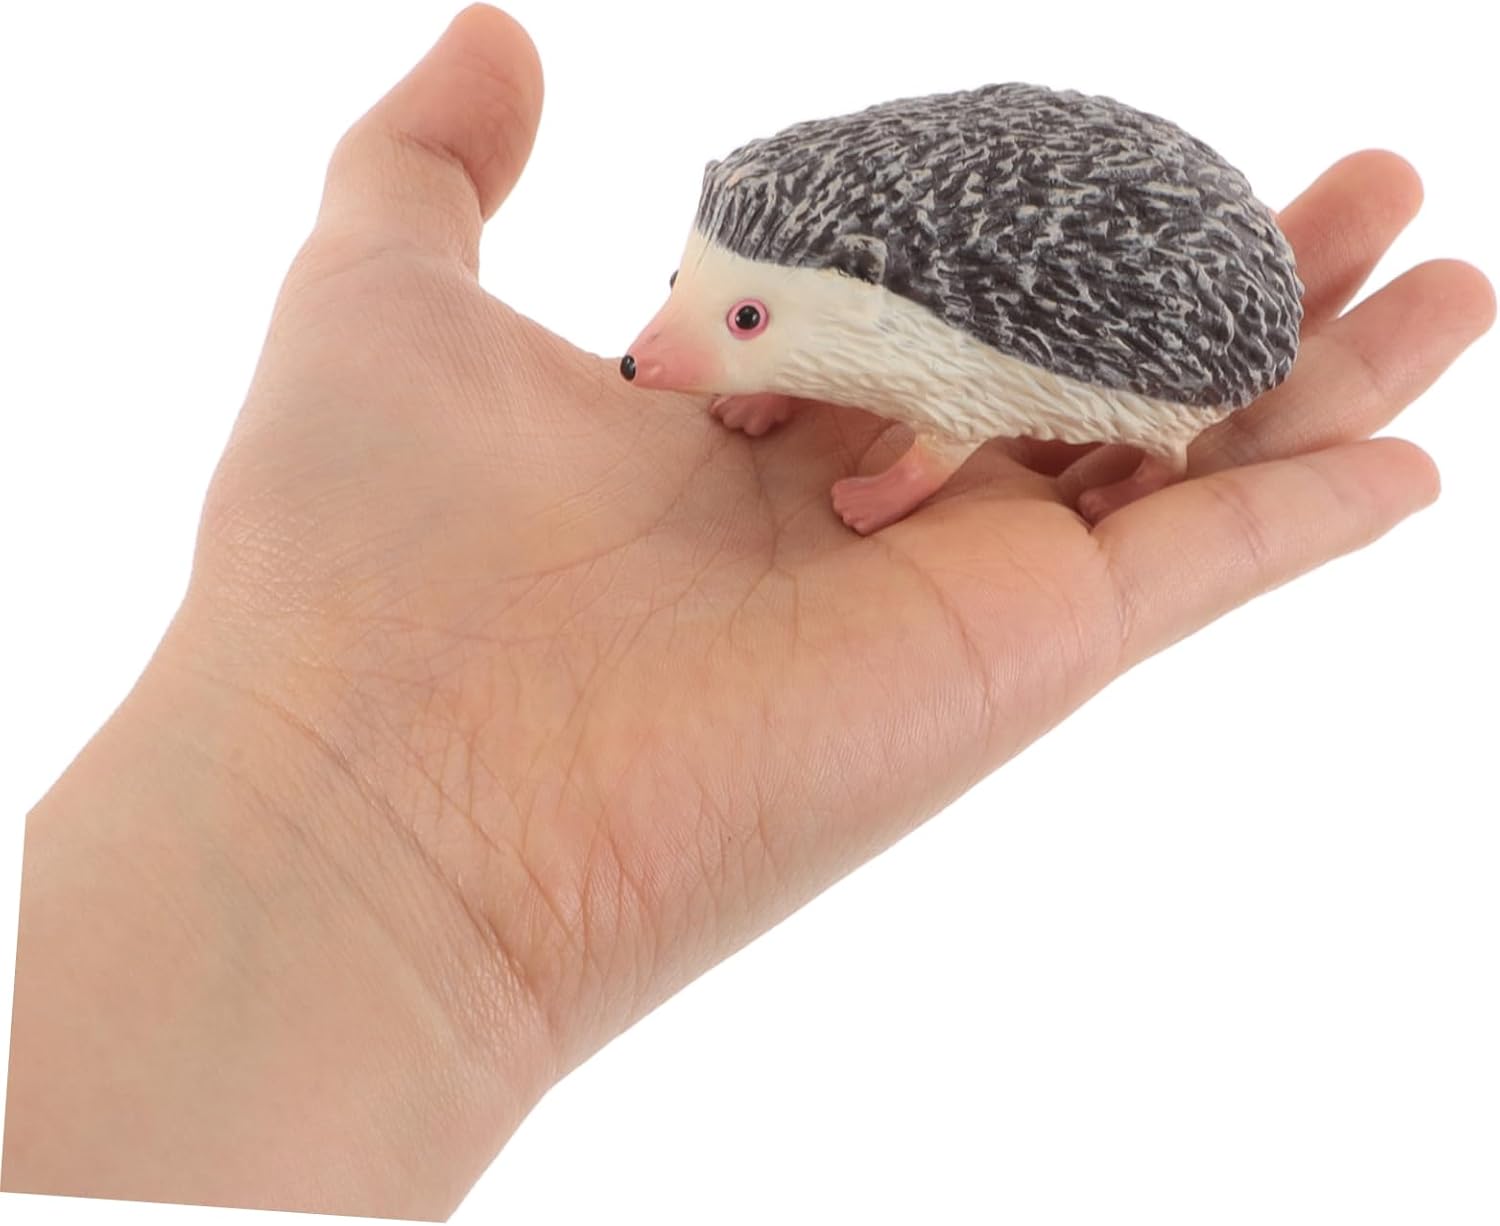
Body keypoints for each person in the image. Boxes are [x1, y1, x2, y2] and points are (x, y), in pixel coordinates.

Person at [3, 5, 1493, 1219]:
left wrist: (903, 474)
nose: (653, 348)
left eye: (742, 322)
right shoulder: (824, 271)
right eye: (690, 290)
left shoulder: (936, 331)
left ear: (867, 308)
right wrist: (753, 356)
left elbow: (954, 395)